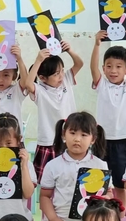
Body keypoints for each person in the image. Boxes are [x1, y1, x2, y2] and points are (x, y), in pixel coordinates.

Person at [39, 112, 112, 221]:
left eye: (84, 135)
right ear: (63, 134)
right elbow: (44, 197)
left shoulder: (100, 165)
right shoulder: (53, 165)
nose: (77, 139)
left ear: (93, 139)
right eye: (72, 133)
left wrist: (106, 199)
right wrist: (54, 220)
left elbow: (108, 192)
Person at [91, 28, 126, 211]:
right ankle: (99, 212)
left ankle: (120, 216)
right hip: (101, 140)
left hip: (122, 141)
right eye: (109, 66)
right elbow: (93, 67)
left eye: (118, 66)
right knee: (99, 180)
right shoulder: (102, 84)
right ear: (104, 68)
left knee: (121, 184)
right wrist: (97, 44)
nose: (113, 70)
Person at [24, 42, 84, 181]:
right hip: (48, 141)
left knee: (69, 177)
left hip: (68, 139)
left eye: (62, 70)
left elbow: (79, 64)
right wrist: (38, 60)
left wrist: (70, 50)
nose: (61, 75)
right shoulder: (40, 90)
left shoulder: (66, 80)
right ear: (42, 78)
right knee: (46, 180)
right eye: (56, 74)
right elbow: (28, 83)